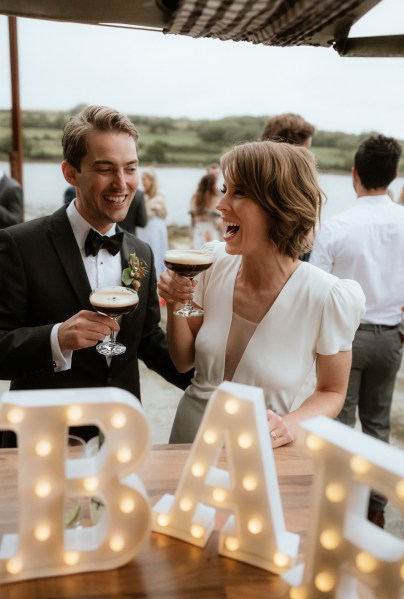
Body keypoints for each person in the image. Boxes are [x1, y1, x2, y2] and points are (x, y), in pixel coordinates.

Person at [0, 105, 192, 448]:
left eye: (130, 168)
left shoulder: (141, 252)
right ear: (70, 173)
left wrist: (211, 387)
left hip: (120, 440)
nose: (121, 183)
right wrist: (58, 337)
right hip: (40, 441)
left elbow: (148, 338)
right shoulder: (18, 245)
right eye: (105, 169)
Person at [158, 141, 365, 446]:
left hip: (256, 448)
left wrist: (291, 424)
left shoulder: (327, 297)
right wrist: (177, 302)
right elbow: (182, 361)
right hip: (187, 439)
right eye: (224, 190)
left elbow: (332, 392)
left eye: (239, 193)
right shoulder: (211, 264)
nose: (221, 205)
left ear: (279, 205)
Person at [310, 133, 404, 528]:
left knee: (340, 423)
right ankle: (376, 508)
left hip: (344, 338)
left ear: (354, 175)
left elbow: (317, 289)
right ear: (395, 175)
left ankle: (342, 505)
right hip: (390, 337)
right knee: (378, 423)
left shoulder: (335, 227)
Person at [261, 113, 316, 261]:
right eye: (307, 148)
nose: (308, 155)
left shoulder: (252, 175)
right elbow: (307, 233)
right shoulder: (301, 181)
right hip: (292, 256)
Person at [136, 167, 168, 279]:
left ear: (151, 180)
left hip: (156, 229)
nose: (143, 182)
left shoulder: (159, 194)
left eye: (145, 179)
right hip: (144, 230)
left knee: (156, 252)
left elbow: (149, 211)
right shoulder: (142, 195)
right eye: (142, 179)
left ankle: (157, 277)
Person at [189, 173, 222, 248]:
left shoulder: (195, 198)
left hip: (198, 229)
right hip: (210, 229)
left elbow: (192, 217)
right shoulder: (214, 198)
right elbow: (219, 220)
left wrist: (191, 235)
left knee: (198, 252)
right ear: (212, 185)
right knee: (211, 254)